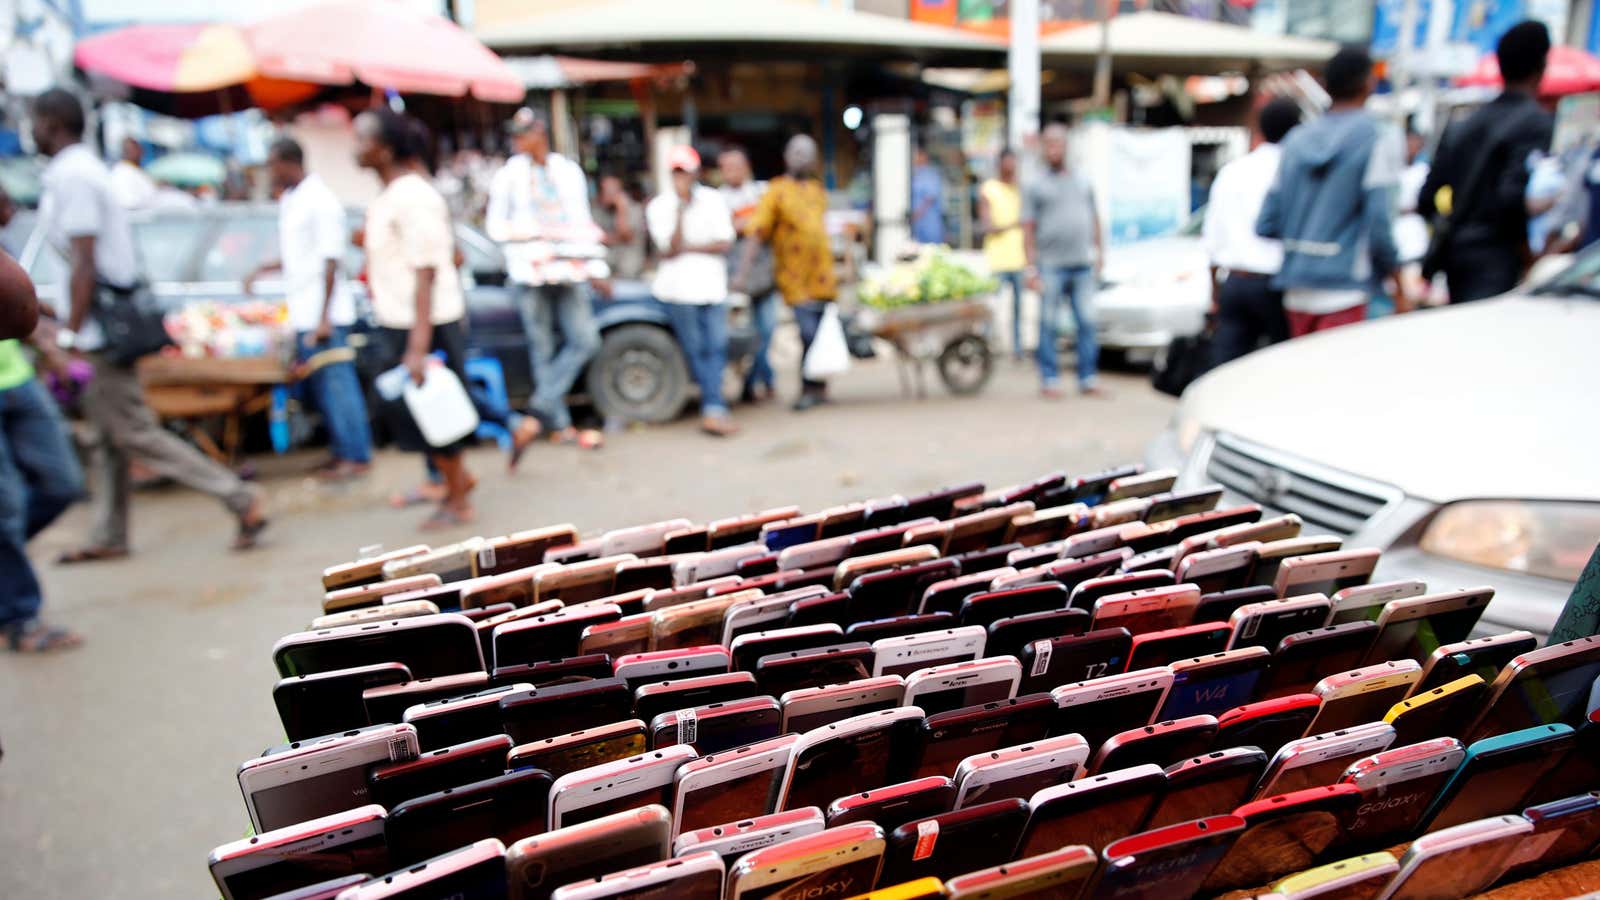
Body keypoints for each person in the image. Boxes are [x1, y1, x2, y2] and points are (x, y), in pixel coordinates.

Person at [33, 89, 267, 561]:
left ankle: (238, 498)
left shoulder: (74, 175)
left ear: (53, 123)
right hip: (98, 327)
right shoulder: (81, 171)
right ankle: (109, 534)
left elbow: (84, 261)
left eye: (35, 122)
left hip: (97, 331)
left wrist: (70, 338)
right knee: (109, 437)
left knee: (135, 432)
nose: (30, 132)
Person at [355, 109, 479, 530]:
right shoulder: (391, 195)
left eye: (361, 139)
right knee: (422, 417)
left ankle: (459, 500)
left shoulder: (412, 195)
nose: (356, 148)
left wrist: (417, 347)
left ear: (384, 149)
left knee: (437, 415)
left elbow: (427, 270)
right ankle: (452, 483)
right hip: (403, 320)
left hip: (424, 324)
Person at [245, 137, 373, 481]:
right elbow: (298, 257)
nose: (270, 173)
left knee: (338, 387)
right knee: (322, 390)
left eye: (273, 165)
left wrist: (323, 319)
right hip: (305, 313)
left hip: (325, 317)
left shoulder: (320, 201)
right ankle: (340, 451)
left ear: (288, 162)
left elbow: (332, 261)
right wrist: (262, 270)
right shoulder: (292, 199)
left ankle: (356, 455)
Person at [1257, 47, 1409, 336]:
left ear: (1325, 86)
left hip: (1296, 289)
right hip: (1349, 290)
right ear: (1368, 83)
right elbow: (1380, 220)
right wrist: (1399, 284)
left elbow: (1267, 222)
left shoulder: (1295, 142)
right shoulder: (1378, 137)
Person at [487, 107, 603, 449]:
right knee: (543, 348)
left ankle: (540, 407)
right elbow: (496, 226)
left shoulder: (567, 172)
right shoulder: (509, 175)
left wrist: (594, 266)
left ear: (541, 132)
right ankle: (559, 424)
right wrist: (530, 236)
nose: (518, 140)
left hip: (569, 267)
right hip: (529, 270)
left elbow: (581, 221)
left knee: (585, 339)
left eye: (523, 133)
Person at [1420, 21, 1553, 303]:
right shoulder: (1534, 123)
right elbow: (1510, 197)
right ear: (1541, 67)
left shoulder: (1464, 123)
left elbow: (1427, 197)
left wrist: (1451, 225)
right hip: (1495, 260)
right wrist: (1527, 252)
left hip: (1453, 255)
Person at [735, 135, 838, 412]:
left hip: (823, 276)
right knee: (806, 332)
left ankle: (819, 386)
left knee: (819, 334)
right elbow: (757, 232)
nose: (802, 157)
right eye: (797, 152)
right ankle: (806, 387)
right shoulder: (776, 191)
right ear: (786, 156)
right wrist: (742, 274)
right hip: (795, 278)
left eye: (808, 153)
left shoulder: (818, 191)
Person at [646, 146, 738, 437]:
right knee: (696, 349)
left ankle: (713, 404)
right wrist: (681, 212)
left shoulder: (713, 200)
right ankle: (713, 405)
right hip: (679, 291)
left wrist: (689, 247)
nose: (681, 177)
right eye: (676, 172)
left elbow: (724, 242)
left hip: (711, 287)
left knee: (717, 346)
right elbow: (669, 249)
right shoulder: (661, 206)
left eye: (685, 171)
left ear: (695, 172)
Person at [1203, 97, 1301, 368]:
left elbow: (1212, 240)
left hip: (1235, 283)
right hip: (1277, 285)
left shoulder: (1233, 171)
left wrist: (1214, 296)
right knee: (1280, 370)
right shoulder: (1295, 171)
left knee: (1226, 372)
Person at [1023, 123, 1105, 398]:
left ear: (1066, 146)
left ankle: (1088, 377)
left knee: (1088, 322)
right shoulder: (1035, 185)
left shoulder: (1083, 180)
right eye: (1049, 144)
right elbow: (1028, 228)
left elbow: (1095, 219)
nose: (1054, 149)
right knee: (1048, 323)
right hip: (1050, 264)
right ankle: (1049, 379)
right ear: (1043, 149)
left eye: (1059, 143)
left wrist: (1100, 254)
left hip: (1082, 263)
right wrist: (1030, 267)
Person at [717, 148, 777, 403]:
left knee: (767, 331)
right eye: (727, 167)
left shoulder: (761, 192)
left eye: (736, 166)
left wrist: (743, 224)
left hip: (764, 277)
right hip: (734, 281)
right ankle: (757, 382)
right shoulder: (717, 199)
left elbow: (766, 226)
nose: (732, 172)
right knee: (746, 335)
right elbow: (724, 230)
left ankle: (757, 379)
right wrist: (748, 222)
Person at [979, 149, 1028, 361]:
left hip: (1019, 259)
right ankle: (985, 347)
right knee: (991, 308)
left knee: (1019, 310)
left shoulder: (1021, 190)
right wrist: (1013, 224)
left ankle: (1017, 350)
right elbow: (988, 226)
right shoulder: (989, 189)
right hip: (997, 259)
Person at [596, 173, 646, 281]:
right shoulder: (597, 211)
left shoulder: (634, 209)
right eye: (606, 191)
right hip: (605, 275)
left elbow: (625, 235)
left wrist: (622, 208)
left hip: (629, 275)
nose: (609, 195)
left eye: (613, 191)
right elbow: (598, 237)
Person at [108, 137, 156, 210]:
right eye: (129, 150)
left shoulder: (137, 170)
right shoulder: (121, 172)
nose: (136, 153)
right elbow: (128, 203)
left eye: (136, 149)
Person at [911, 146, 945, 245]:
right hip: (917, 221)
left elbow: (930, 197)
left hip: (928, 220)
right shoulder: (914, 173)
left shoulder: (930, 174)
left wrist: (917, 213)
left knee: (932, 247)